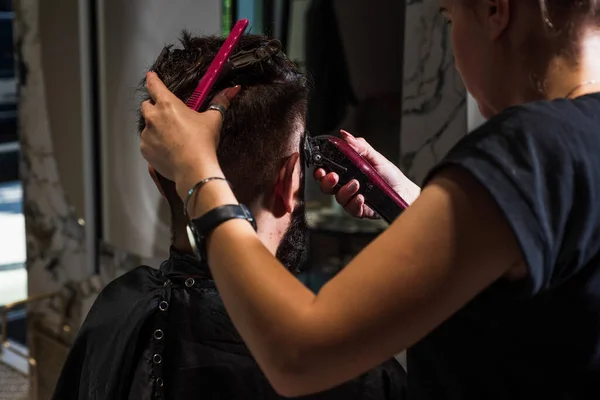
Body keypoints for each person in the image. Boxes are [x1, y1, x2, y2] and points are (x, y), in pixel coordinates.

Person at [139, 0, 600, 399]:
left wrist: (199, 172)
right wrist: (417, 211)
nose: (452, 45)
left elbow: (299, 352)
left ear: (496, 10)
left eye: (448, 18)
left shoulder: (529, 151)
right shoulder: (578, 141)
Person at [51, 33, 407, 400]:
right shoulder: (349, 369)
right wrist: (407, 207)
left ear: (158, 179)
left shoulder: (115, 308)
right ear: (289, 181)